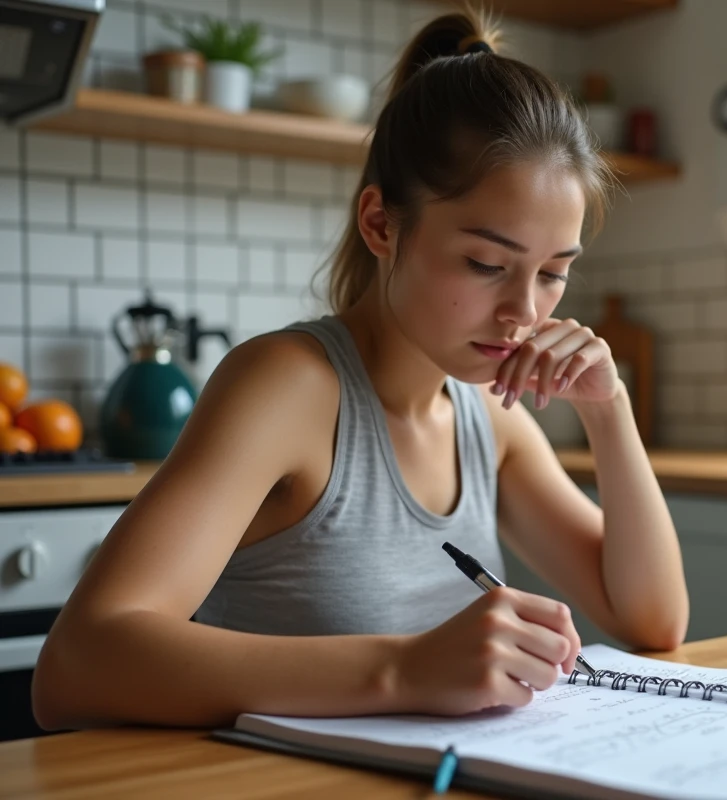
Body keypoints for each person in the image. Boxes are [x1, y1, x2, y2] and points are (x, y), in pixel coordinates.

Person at [32, 7, 688, 731]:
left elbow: (653, 620)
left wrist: (608, 408)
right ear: (381, 224)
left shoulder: (486, 414)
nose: (523, 312)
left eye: (554, 273)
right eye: (486, 264)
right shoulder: (289, 388)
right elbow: (76, 665)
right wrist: (404, 669)